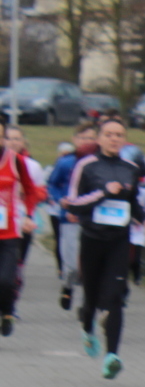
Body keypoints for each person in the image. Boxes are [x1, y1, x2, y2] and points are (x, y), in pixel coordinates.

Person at [62, 117, 145, 379]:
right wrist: (104, 192)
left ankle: (112, 356)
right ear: (99, 138)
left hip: (119, 241)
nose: (114, 139)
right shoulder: (86, 166)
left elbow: (134, 203)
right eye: (109, 134)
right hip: (92, 239)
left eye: (119, 135)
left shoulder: (131, 168)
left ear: (124, 140)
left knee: (115, 298)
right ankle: (87, 328)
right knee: (91, 298)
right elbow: (72, 203)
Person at [0, 132, 48, 338]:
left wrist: (28, 215)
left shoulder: (15, 161)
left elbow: (31, 191)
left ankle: (7, 311)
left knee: (6, 280)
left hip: (10, 232)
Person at [44, 123, 97, 309]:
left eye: (91, 138)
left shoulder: (100, 164)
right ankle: (68, 286)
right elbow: (52, 184)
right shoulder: (66, 162)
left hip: (93, 221)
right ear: (75, 140)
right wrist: (61, 201)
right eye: (83, 138)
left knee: (90, 265)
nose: (87, 142)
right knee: (73, 264)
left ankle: (87, 303)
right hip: (69, 219)